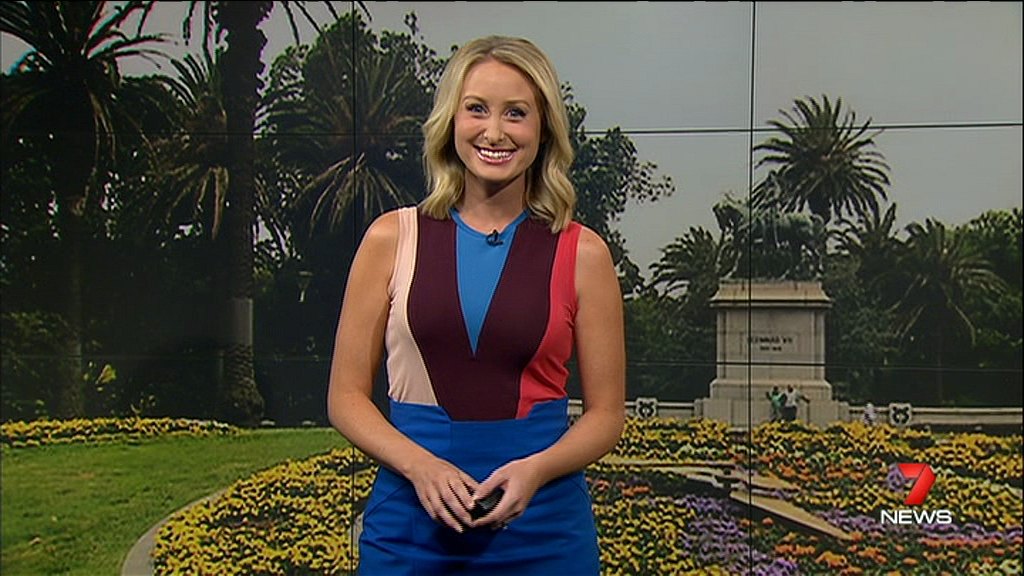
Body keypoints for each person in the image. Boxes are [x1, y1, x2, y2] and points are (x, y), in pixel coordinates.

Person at [327, 35, 625, 575]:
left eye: (516, 113)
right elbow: (345, 398)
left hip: (544, 533)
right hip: (410, 531)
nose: (494, 132)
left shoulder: (583, 253)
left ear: (544, 129)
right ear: (451, 121)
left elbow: (606, 416)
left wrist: (535, 471)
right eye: (477, 109)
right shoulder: (390, 239)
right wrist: (420, 466)